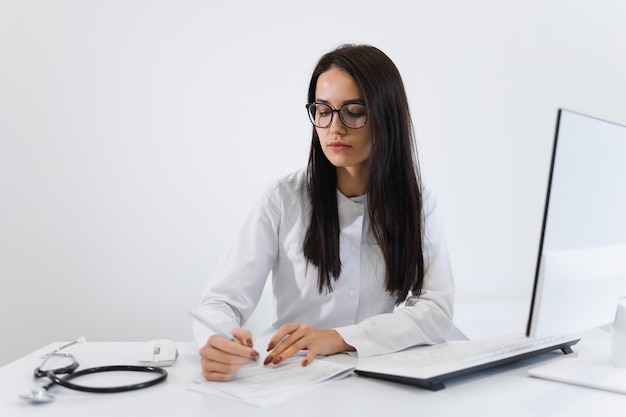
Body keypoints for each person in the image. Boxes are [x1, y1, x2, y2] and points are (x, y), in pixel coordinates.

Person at [193, 44, 455, 382]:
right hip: (291, 375)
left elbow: (435, 309)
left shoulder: (417, 199)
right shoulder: (283, 197)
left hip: (379, 378)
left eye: (354, 111)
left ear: (386, 116)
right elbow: (220, 301)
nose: (334, 127)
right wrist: (220, 339)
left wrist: (338, 338)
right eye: (323, 110)